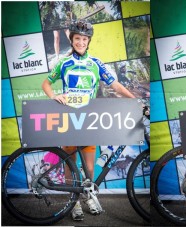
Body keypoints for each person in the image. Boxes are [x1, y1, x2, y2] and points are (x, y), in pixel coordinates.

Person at [42, 19, 136, 221]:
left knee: (90, 167)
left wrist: (134, 99)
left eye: (84, 39)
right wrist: (53, 97)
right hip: (69, 117)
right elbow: (46, 84)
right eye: (78, 38)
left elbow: (116, 85)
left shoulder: (95, 63)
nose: (81, 42)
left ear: (88, 41)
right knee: (70, 163)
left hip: (89, 119)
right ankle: (73, 202)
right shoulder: (64, 63)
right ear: (72, 40)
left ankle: (88, 196)